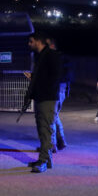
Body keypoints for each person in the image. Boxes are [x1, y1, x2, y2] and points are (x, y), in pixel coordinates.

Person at [23, 32, 63, 173]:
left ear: (38, 42)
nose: (29, 44)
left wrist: (38, 82)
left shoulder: (51, 55)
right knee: (42, 129)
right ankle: (47, 160)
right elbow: (46, 77)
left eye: (31, 41)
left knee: (45, 130)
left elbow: (54, 77)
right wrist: (34, 77)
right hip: (42, 97)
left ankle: (43, 161)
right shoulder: (41, 56)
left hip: (47, 98)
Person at [45, 36, 69, 151]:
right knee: (54, 116)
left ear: (52, 46)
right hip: (62, 88)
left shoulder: (55, 58)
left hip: (56, 88)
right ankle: (61, 141)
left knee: (51, 117)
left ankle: (52, 144)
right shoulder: (63, 57)